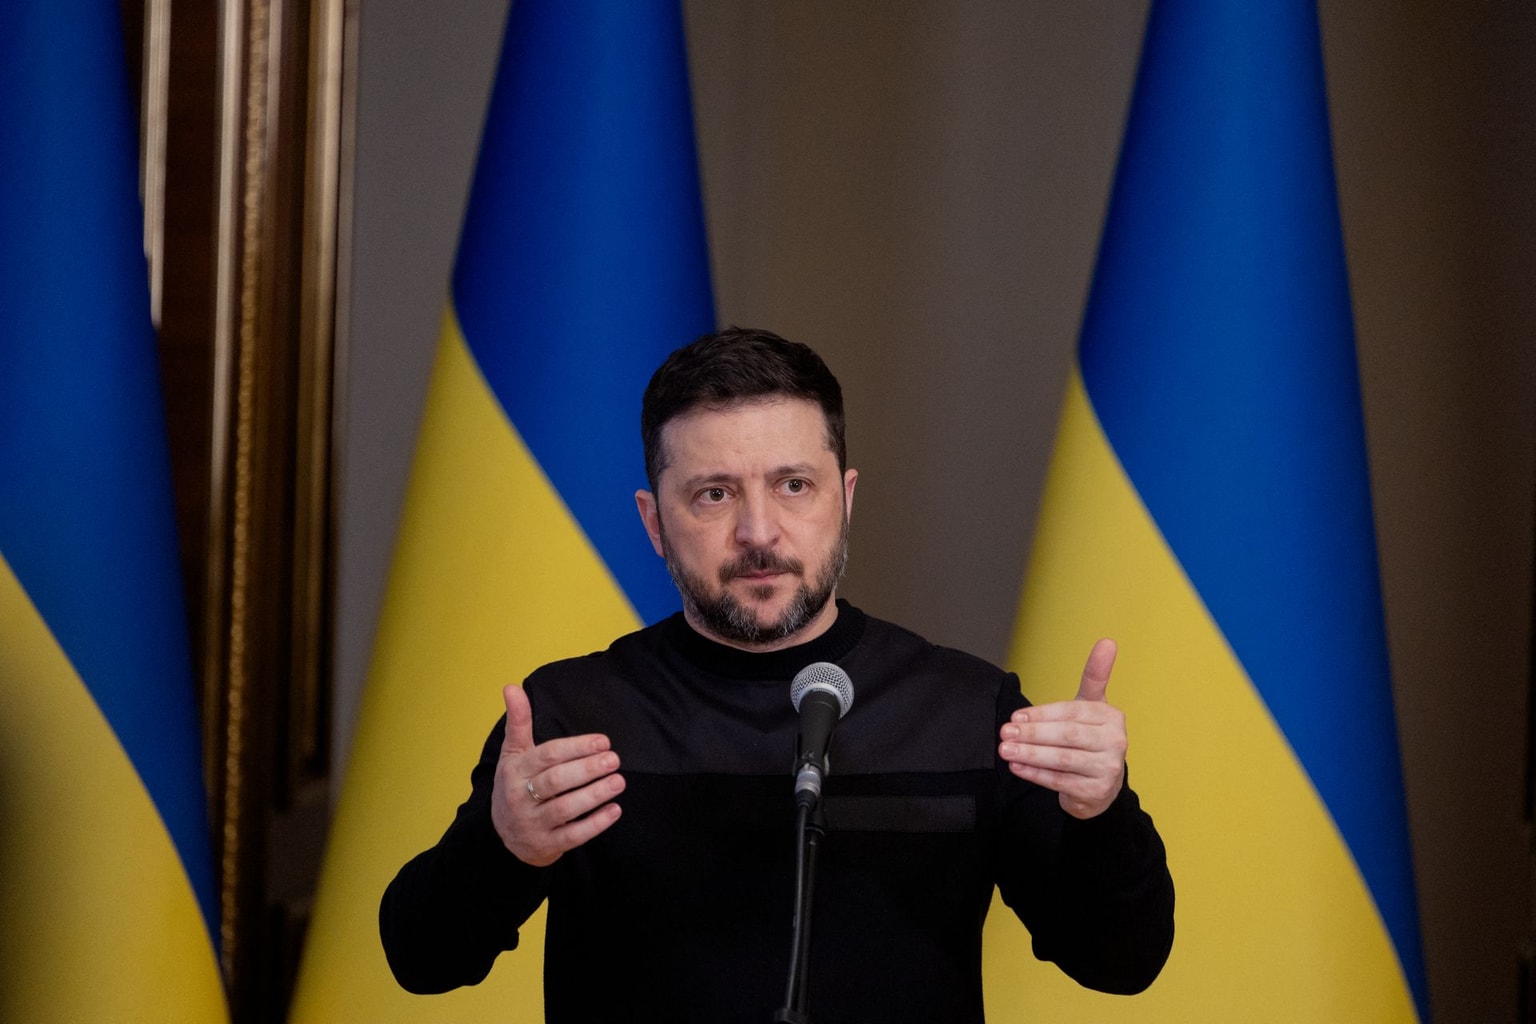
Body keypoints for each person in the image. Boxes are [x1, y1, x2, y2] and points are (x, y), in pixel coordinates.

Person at [380, 327, 1174, 1022]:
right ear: (654, 524)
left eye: (793, 485)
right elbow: (423, 961)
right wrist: (502, 847)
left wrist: (1104, 811)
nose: (759, 532)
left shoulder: (967, 711)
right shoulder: (572, 716)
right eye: (714, 494)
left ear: (845, 498)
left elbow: (1121, 963)